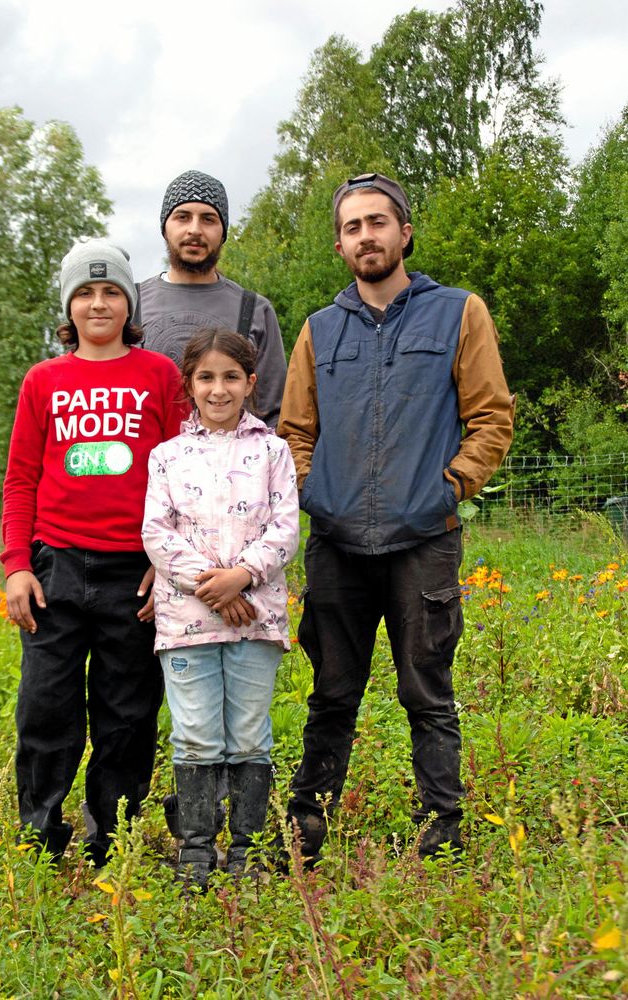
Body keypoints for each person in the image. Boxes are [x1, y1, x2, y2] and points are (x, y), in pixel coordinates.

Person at [278, 172, 515, 863]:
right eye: (352, 227)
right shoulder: (320, 330)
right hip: (336, 543)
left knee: (427, 690)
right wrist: (313, 489)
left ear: (403, 232)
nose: (366, 236)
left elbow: (491, 417)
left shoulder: (458, 313)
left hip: (423, 540)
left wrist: (450, 487)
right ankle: (308, 822)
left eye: (377, 222)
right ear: (339, 245)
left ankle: (441, 824)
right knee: (331, 692)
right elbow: (295, 428)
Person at [1, 238, 185, 866]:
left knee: (128, 713)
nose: (98, 303)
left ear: (129, 303)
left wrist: (169, 568)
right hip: (54, 568)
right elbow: (21, 477)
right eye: (86, 292)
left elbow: (181, 475)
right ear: (70, 306)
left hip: (134, 575)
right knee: (45, 708)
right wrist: (17, 565)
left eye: (111, 292)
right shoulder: (44, 381)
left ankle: (115, 840)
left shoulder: (159, 376)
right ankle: (42, 839)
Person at [142, 329, 299, 889]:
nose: (218, 388)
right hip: (187, 622)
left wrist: (242, 581)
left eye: (231, 376)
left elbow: (285, 531)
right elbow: (157, 535)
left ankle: (250, 850)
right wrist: (212, 587)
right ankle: (197, 850)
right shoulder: (166, 457)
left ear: (250, 383)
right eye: (206, 377)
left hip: (256, 618)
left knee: (250, 734)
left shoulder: (274, 452)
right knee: (197, 735)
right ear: (189, 385)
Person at [137, 169, 287, 428]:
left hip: (234, 465)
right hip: (144, 465)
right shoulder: (129, 303)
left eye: (208, 219)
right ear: (165, 227)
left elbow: (275, 412)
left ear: (223, 231)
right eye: (182, 217)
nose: (194, 230)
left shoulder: (254, 310)